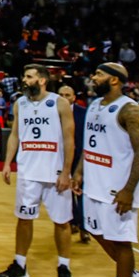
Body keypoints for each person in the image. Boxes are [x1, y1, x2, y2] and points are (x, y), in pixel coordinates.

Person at [73, 62, 139, 277]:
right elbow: (89, 145)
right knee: (96, 232)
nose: (93, 78)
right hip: (94, 184)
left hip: (117, 189)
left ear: (115, 80)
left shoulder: (130, 110)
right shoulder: (95, 106)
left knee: (121, 243)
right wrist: (79, 172)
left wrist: (128, 191)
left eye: (99, 74)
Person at [0, 64, 76, 277]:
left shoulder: (59, 103)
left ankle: (64, 268)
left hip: (55, 174)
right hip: (28, 171)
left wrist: (67, 172)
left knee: (62, 222)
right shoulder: (20, 103)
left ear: (42, 80)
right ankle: (20, 265)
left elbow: (70, 140)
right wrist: (7, 163)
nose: (24, 79)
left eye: (29, 76)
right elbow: (15, 135)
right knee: (23, 218)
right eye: (24, 75)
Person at [58, 84, 90, 243]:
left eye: (67, 95)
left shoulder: (84, 113)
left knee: (81, 192)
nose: (64, 98)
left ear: (74, 98)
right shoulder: (52, 112)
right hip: (61, 158)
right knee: (66, 192)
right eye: (61, 94)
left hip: (80, 157)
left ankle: (85, 228)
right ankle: (74, 221)